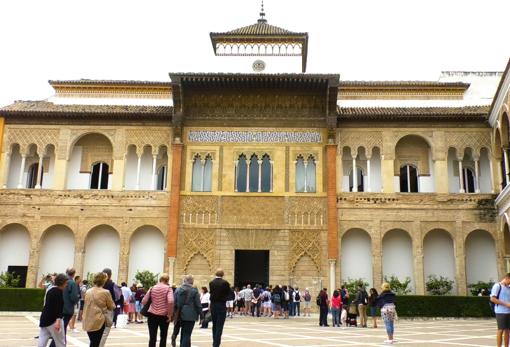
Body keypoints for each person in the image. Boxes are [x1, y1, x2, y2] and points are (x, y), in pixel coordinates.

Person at [82, 272, 115, 347]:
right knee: (96, 343)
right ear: (104, 281)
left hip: (88, 320)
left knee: (93, 341)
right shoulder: (105, 292)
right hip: (99, 321)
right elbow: (111, 306)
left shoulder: (88, 291)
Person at [49, 267, 79, 347]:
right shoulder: (72, 283)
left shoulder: (59, 281)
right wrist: (77, 298)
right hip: (67, 309)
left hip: (57, 309)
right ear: (73, 274)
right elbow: (74, 297)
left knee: (61, 330)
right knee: (61, 330)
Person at [142, 273, 174, 347]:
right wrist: (169, 315)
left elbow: (144, 301)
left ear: (160, 279)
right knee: (163, 336)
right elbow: (171, 301)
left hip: (152, 315)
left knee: (152, 337)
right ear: (167, 280)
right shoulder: (168, 289)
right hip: (164, 316)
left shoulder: (152, 288)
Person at [38, 273, 68, 347]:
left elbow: (48, 305)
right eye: (66, 283)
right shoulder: (58, 292)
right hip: (53, 320)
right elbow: (58, 307)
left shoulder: (50, 290)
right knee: (60, 342)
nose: (66, 285)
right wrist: (58, 321)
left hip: (44, 319)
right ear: (62, 283)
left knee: (42, 340)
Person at [174, 274, 201, 347]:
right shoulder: (194, 290)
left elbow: (174, 302)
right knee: (187, 334)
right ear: (192, 282)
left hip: (180, 313)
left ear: (184, 281)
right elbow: (198, 304)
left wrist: (174, 314)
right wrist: (201, 315)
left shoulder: (178, 289)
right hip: (190, 315)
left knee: (183, 332)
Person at [209, 269, 231, 347]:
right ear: (222, 274)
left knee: (214, 324)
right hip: (221, 305)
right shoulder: (225, 283)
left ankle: (214, 341)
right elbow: (229, 294)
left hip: (213, 305)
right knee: (219, 325)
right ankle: (216, 344)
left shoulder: (211, 283)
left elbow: (211, 293)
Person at [100, 268, 121, 347]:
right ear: (110, 275)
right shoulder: (112, 284)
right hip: (108, 310)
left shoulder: (98, 284)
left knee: (97, 330)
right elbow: (117, 297)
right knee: (105, 331)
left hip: (97, 309)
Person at [491, 273, 510, 347]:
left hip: (508, 311)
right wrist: (506, 304)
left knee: (507, 331)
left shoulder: (508, 287)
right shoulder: (497, 286)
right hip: (500, 311)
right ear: (507, 278)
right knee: (500, 330)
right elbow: (492, 299)